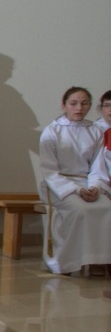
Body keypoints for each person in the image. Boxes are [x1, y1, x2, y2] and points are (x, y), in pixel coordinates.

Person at [38, 87, 111, 275]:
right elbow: (49, 170)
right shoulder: (52, 131)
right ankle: (69, 261)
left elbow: (97, 166)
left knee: (107, 207)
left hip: (88, 184)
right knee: (81, 209)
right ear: (64, 105)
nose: (79, 108)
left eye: (84, 104)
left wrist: (96, 187)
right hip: (59, 186)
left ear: (90, 106)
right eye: (74, 103)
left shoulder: (94, 130)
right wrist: (76, 190)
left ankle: (97, 261)